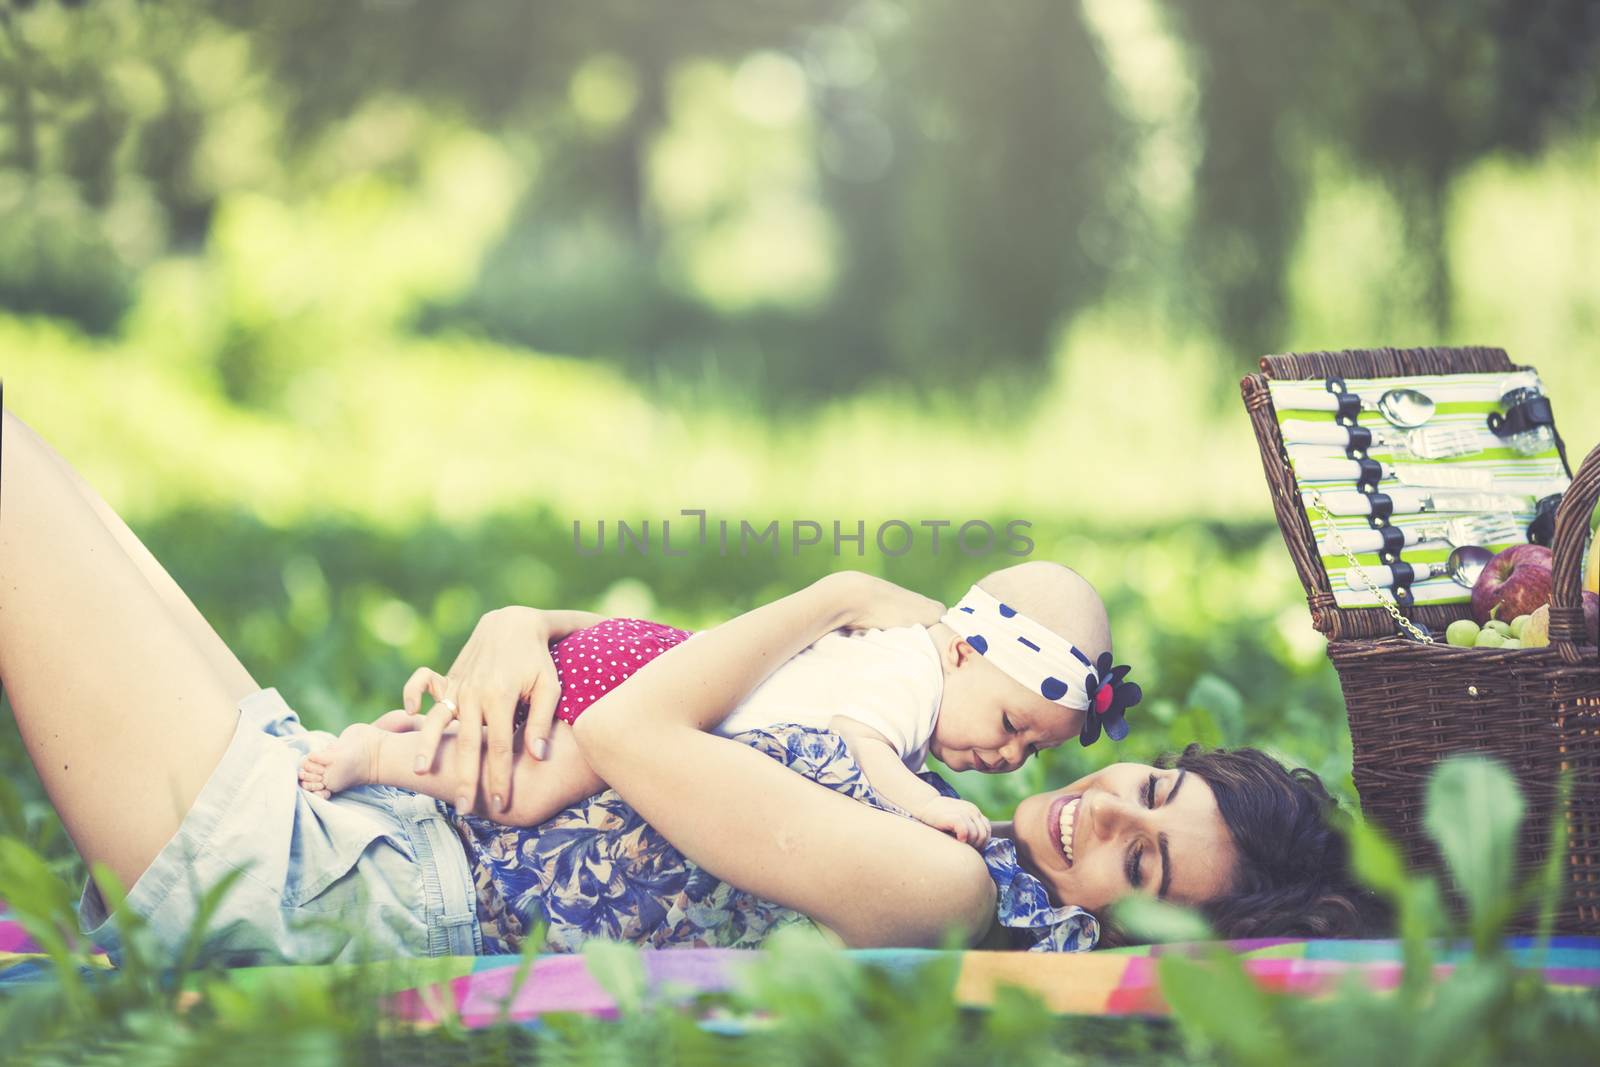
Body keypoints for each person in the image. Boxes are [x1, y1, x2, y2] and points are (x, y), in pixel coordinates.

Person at [0, 408, 1378, 966]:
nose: (1100, 813)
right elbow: (654, 668)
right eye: (1148, 788)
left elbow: (626, 724)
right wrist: (516, 619)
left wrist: (840, 587)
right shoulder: (939, 781)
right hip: (358, 824)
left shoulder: (942, 884)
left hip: (338, 887)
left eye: (1141, 863)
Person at [296, 562, 1139, 850]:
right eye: (1009, 725)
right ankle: (374, 756)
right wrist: (924, 804)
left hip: (655, 657)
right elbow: (856, 745)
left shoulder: (909, 658)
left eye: (1029, 752)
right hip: (645, 685)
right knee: (525, 789)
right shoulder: (910, 681)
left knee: (516, 749)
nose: (1006, 758)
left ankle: (412, 735)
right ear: (963, 648)